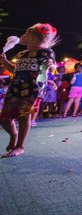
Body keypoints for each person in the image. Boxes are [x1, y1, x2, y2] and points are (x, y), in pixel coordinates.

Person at [0, 23, 58, 157]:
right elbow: (15, 70)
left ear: (35, 38)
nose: (23, 35)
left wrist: (50, 65)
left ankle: (20, 146)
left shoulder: (46, 52)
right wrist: (5, 62)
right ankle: (14, 135)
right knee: (4, 119)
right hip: (15, 88)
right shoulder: (22, 54)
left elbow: (50, 65)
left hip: (33, 90)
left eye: (26, 33)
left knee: (24, 116)